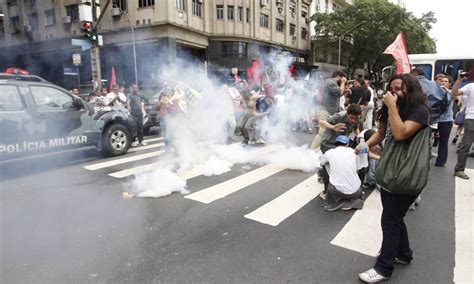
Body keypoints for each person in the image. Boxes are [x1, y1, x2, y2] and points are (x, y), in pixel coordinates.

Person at [358, 73, 430, 283]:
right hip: (390, 172)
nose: (394, 92)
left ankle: (384, 268)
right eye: (392, 88)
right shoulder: (394, 109)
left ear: (412, 89)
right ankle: (403, 253)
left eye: (399, 88)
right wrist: (365, 144)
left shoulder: (420, 111)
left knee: (389, 219)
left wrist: (391, 106)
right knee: (395, 217)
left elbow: (400, 133)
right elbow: (382, 132)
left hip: (407, 175)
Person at [320, 135, 364, 211]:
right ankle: (352, 200)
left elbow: (321, 163)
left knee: (325, 165)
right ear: (347, 144)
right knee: (359, 167)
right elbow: (360, 167)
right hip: (356, 192)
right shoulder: (353, 151)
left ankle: (326, 192)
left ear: (335, 144)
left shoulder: (330, 152)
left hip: (336, 192)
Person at [310, 71, 348, 150]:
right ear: (338, 76)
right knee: (322, 132)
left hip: (327, 110)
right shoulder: (331, 82)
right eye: (343, 78)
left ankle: (317, 151)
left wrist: (345, 91)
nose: (343, 80)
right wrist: (343, 83)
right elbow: (339, 92)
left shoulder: (330, 83)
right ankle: (312, 151)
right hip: (325, 110)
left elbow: (337, 94)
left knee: (325, 132)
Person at [450, 74, 473, 180]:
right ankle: (459, 170)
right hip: (471, 118)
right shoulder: (470, 86)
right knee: (466, 145)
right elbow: (454, 93)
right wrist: (459, 79)